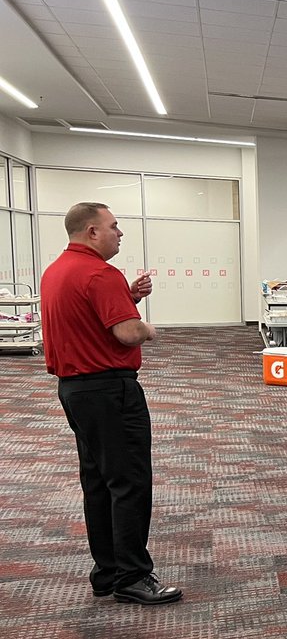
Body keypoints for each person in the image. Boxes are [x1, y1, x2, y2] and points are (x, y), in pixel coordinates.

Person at [40, 202, 183, 606]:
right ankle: (133, 577)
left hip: (76, 391)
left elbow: (87, 317)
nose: (120, 233)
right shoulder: (100, 273)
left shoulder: (57, 271)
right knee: (130, 482)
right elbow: (127, 332)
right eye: (114, 226)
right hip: (109, 390)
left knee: (100, 482)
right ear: (91, 232)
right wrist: (149, 328)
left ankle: (107, 572)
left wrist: (126, 295)